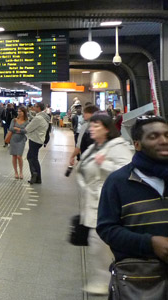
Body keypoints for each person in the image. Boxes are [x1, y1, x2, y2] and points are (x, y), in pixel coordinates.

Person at [97, 117, 168, 297]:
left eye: (167, 135)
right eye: (154, 136)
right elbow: (107, 229)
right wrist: (151, 243)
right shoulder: (118, 182)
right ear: (137, 144)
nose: (164, 141)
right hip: (140, 282)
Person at [72, 114, 133, 295]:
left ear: (107, 128)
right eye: (91, 126)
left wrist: (104, 164)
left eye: (96, 126)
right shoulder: (93, 147)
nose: (91, 129)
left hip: (106, 202)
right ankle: (104, 278)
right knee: (96, 241)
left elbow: (127, 170)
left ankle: (106, 279)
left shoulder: (118, 147)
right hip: (92, 201)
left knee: (100, 242)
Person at [24, 103, 51, 184]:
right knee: (33, 157)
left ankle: (35, 175)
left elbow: (28, 129)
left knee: (31, 158)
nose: (33, 107)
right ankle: (37, 177)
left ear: (38, 108)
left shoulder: (38, 118)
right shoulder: (45, 117)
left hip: (35, 140)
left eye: (35, 106)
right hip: (40, 139)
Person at [8, 107, 29, 179]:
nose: (19, 113)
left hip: (21, 139)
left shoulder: (27, 121)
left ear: (24, 113)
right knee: (14, 156)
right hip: (13, 139)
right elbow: (11, 128)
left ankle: (21, 172)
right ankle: (16, 172)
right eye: (18, 111)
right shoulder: (14, 120)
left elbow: (26, 131)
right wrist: (20, 130)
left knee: (19, 156)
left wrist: (18, 129)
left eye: (21, 112)